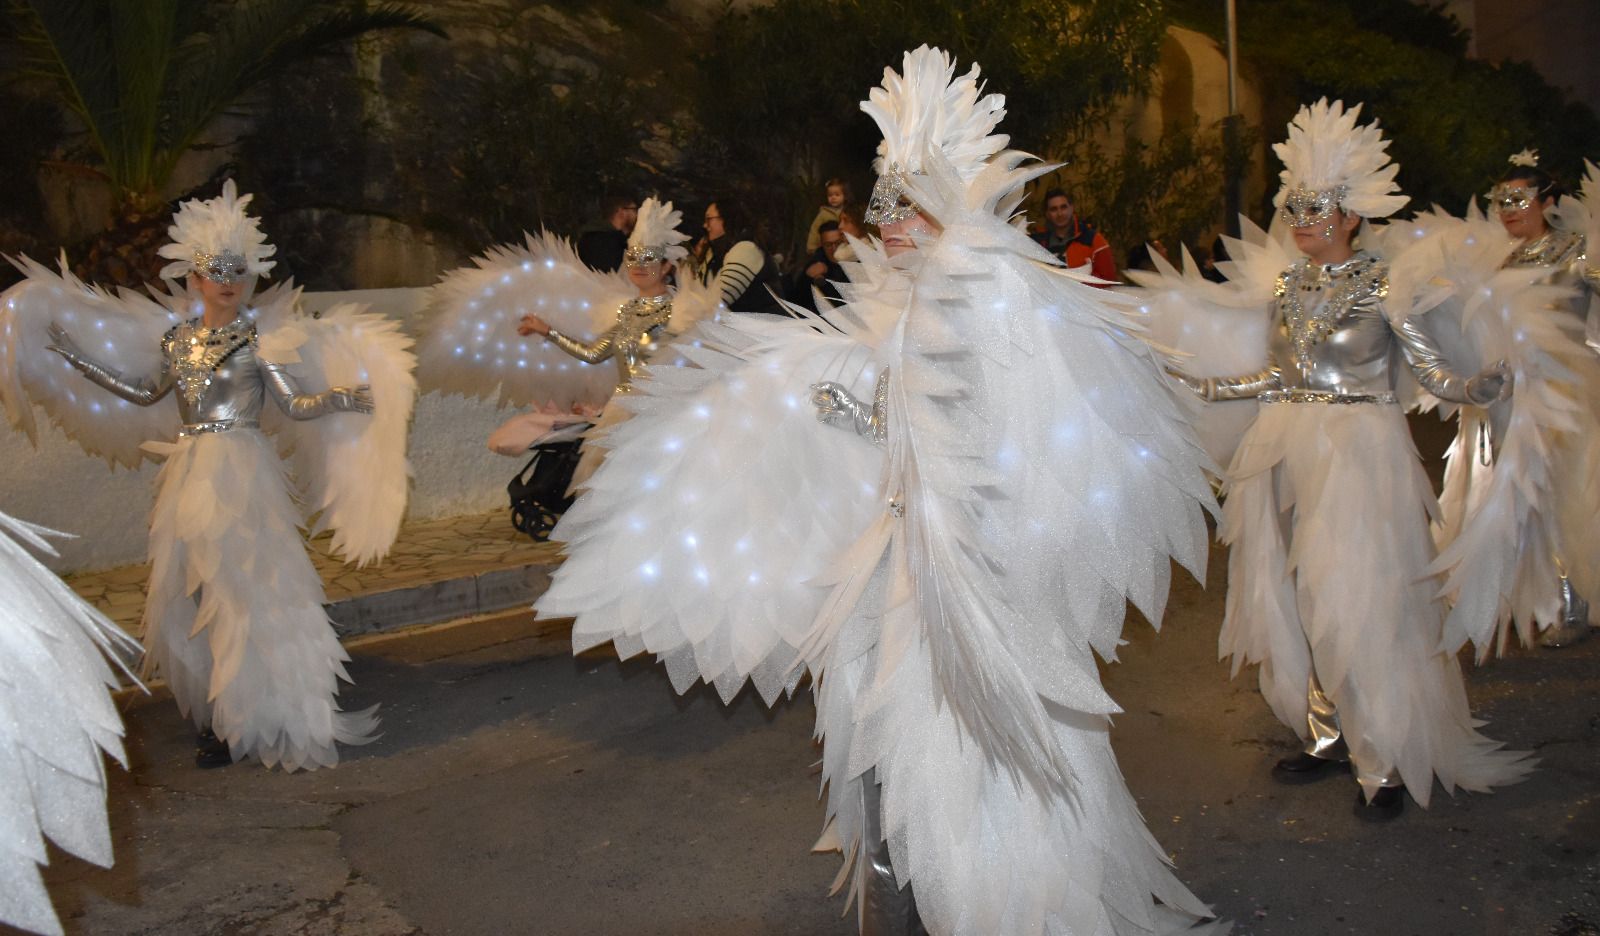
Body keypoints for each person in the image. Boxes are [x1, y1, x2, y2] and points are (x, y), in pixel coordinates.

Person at [536, 46, 1225, 936]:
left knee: (969, 743)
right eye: (882, 206)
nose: (885, 227)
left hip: (975, 567)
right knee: (884, 725)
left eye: (906, 208)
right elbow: (889, 408)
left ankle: (992, 902)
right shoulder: (907, 296)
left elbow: (1009, 426)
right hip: (899, 555)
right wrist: (799, 393)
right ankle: (926, 894)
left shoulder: (994, 292)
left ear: (948, 205)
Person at [1163, 100, 1533, 819]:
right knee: (1299, 596)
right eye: (1293, 210)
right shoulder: (1287, 286)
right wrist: (1199, 384)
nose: (1301, 223)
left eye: (1316, 210)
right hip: (1283, 444)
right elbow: (1278, 375)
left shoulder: (1387, 285)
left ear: (1352, 215)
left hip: (1361, 453)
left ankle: (1384, 757)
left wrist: (1475, 388)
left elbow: (1429, 372)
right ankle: (1327, 734)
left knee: (1361, 600)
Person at [0, 181, 415, 770]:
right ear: (194, 277)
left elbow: (293, 406)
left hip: (244, 472)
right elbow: (145, 393)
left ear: (250, 277)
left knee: (245, 590)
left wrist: (344, 397)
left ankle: (261, 714)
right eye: (215, 270)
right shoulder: (177, 342)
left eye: (238, 270)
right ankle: (222, 716)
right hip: (190, 469)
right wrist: (75, 358)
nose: (228, 280)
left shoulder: (257, 341)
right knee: (190, 593)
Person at [1438, 150, 1600, 648]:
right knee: (1509, 491)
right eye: (1501, 201)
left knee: (1562, 490)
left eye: (1519, 199)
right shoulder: (1496, 261)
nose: (1509, 209)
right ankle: (1514, 596)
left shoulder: (1576, 251)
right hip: (1508, 389)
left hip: (1564, 386)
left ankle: (1571, 603)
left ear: (1547, 201)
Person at [517, 197, 714, 489]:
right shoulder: (625, 312)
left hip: (666, 414)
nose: (638, 265)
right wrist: (548, 332)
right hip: (622, 412)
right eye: (633, 257)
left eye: (648, 258)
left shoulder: (681, 313)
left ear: (665, 267)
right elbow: (594, 354)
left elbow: (699, 365)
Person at [699, 198, 783, 314]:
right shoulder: (715, 253)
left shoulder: (746, 250)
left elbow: (716, 301)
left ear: (728, 218)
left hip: (760, 330)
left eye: (709, 219)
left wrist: (667, 311)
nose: (705, 225)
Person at [1031, 187, 1117, 284]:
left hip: (1084, 297)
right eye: (1053, 209)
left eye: (1063, 207)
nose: (1059, 214)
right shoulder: (1037, 243)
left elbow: (1109, 280)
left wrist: (1078, 286)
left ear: (1071, 208)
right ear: (1047, 214)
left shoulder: (1094, 239)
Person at [787, 219, 846, 311]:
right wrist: (807, 278)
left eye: (838, 243)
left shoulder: (853, 260)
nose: (834, 248)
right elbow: (797, 302)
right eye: (828, 245)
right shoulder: (815, 264)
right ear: (822, 245)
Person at [576, 194, 638, 273]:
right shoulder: (600, 242)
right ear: (621, 212)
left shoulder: (617, 240)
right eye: (634, 209)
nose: (637, 214)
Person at [804, 177, 851, 253]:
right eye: (830, 195)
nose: (833, 197)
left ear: (845, 196)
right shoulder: (823, 214)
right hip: (828, 247)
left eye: (837, 195)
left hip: (845, 247)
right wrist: (812, 246)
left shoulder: (849, 212)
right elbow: (815, 229)